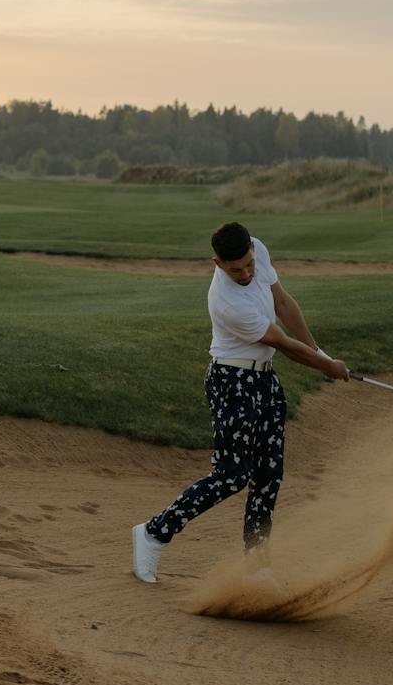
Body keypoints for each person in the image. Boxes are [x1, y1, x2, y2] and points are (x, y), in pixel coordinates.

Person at [132, 221, 350, 584]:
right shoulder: (226, 302)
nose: (247, 273)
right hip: (232, 382)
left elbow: (282, 301)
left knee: (269, 476)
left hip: (264, 380)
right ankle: (154, 532)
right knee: (232, 476)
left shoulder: (258, 250)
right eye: (236, 270)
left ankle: (258, 566)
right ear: (218, 264)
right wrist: (326, 366)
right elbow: (281, 342)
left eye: (249, 264)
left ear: (252, 248)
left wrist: (319, 351)